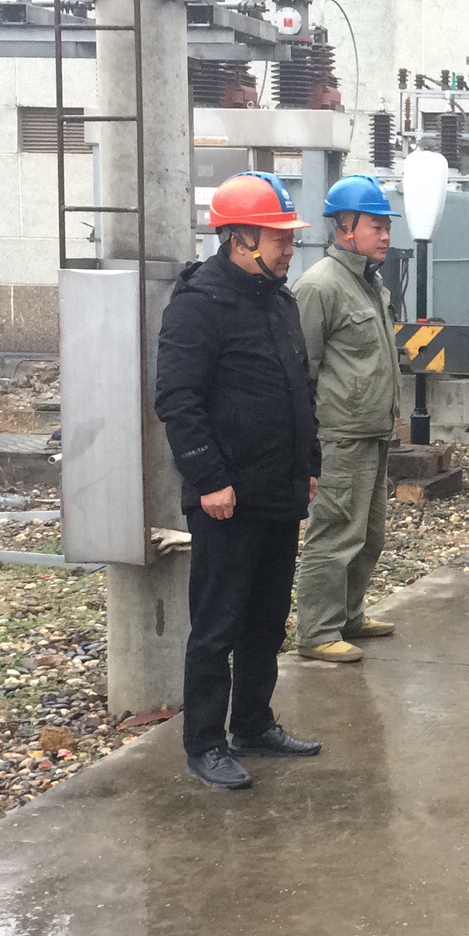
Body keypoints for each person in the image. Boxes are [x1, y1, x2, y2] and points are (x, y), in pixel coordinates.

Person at [154, 171, 326, 791]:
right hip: (225, 500)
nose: (288, 249)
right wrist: (208, 479)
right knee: (218, 624)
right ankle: (205, 742)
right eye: (279, 238)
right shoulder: (198, 305)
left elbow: (298, 388)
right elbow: (178, 400)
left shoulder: (278, 300)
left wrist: (309, 465)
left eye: (289, 237)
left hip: (278, 490)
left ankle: (253, 723)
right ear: (239, 238)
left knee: (266, 619)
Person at [293, 175, 404, 663]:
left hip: (372, 432)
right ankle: (318, 631)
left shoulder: (369, 284)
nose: (385, 235)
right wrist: (308, 447)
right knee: (335, 534)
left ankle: (349, 616)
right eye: (375, 226)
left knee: (368, 535)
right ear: (344, 227)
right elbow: (300, 371)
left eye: (386, 226)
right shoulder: (319, 287)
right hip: (340, 436)